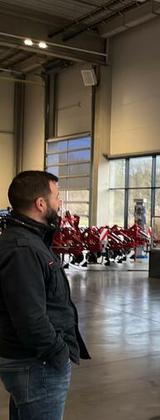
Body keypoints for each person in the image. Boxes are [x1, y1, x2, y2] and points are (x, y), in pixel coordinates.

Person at [0, 171, 90, 420]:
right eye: (57, 197)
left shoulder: (29, 240)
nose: (60, 203)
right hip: (36, 364)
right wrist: (58, 353)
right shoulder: (24, 249)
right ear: (41, 204)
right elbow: (30, 318)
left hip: (31, 362)